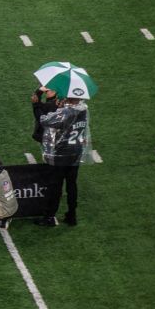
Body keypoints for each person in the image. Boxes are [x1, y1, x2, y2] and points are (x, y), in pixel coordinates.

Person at [37, 96, 89, 227]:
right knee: (72, 185)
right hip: (76, 152)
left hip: (61, 154)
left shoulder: (66, 112)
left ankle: (49, 217)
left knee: (55, 186)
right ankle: (72, 215)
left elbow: (44, 120)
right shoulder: (84, 110)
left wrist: (38, 105)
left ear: (69, 99)